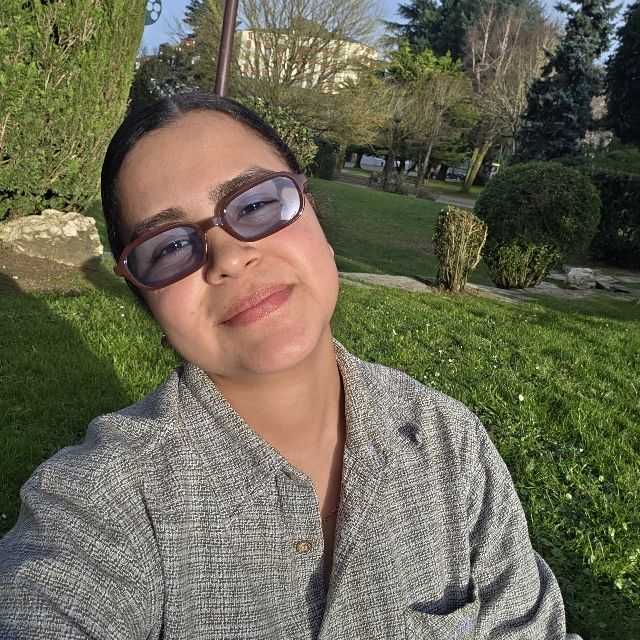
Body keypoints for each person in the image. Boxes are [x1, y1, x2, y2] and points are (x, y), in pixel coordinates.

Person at [0, 92, 582, 639]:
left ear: (314, 213)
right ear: (146, 297)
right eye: (169, 246)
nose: (229, 256)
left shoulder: (450, 444)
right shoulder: (98, 501)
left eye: (255, 204)